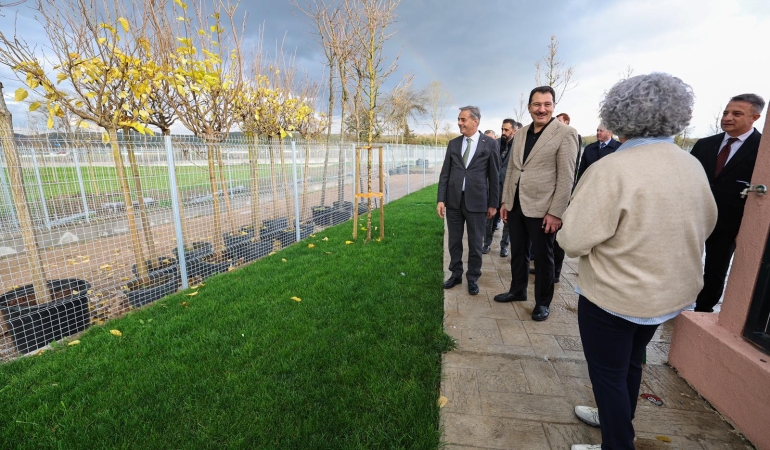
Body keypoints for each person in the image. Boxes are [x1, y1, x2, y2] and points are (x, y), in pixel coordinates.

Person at [557, 73, 718, 450]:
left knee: (608, 374)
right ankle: (617, 418)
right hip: (667, 296)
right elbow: (708, 222)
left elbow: (574, 239)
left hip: (616, 297)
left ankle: (617, 442)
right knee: (630, 364)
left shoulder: (611, 169)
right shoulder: (690, 164)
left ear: (618, 115)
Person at [494, 86, 578, 322]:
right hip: (516, 204)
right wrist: (505, 201)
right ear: (529, 107)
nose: (542, 109)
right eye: (537, 104)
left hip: (544, 208)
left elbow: (566, 177)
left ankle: (543, 302)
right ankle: (517, 290)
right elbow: (512, 168)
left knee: (543, 257)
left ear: (553, 106)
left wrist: (556, 212)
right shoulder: (520, 134)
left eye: (547, 104)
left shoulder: (565, 133)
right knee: (518, 251)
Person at [690, 93, 765, 313]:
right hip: (693, 219)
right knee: (681, 262)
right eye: (726, 112)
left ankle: (702, 311)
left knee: (715, 269)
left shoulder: (762, 150)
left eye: (736, 114)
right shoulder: (704, 145)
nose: (728, 117)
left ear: (755, 117)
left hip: (729, 224)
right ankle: (675, 301)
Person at [437, 106, 501, 296]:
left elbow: (494, 176)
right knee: (454, 241)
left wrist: (493, 203)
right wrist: (441, 199)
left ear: (476, 121)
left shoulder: (489, 144)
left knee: (475, 243)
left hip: (478, 203)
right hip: (454, 201)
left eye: (463, 119)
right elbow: (445, 173)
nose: (459, 123)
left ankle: (473, 277)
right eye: (459, 119)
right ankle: (455, 274)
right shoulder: (453, 144)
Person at [483, 119, 518, 257]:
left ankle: (504, 246)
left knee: (507, 222)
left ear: (514, 131)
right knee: (489, 219)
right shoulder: (495, 144)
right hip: (493, 188)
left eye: (507, 130)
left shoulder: (519, 146)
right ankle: (486, 244)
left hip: (509, 190)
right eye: (502, 129)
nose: (503, 132)